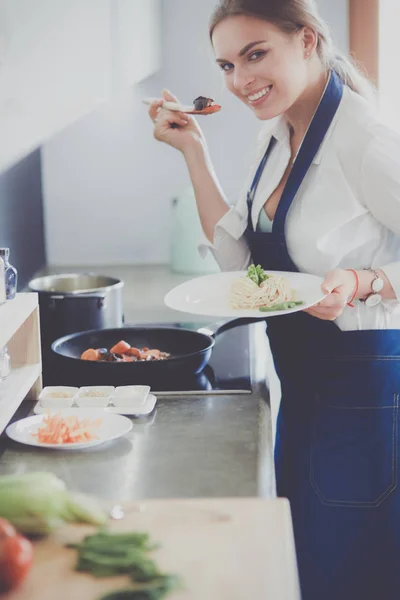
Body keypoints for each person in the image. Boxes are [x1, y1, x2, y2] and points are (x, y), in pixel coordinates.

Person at [148, 1, 400, 598]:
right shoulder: (279, 132)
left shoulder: (364, 137)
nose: (239, 81)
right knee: (308, 564)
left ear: (307, 40)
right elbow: (243, 265)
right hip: (305, 392)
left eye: (255, 55)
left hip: (364, 397)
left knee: (350, 572)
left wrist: (365, 282)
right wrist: (195, 153)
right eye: (227, 65)